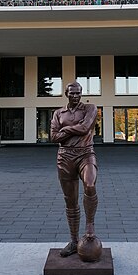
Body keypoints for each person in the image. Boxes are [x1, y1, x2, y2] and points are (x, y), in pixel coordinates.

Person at [50, 82, 99, 257]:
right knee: (70, 201)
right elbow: (53, 137)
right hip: (64, 157)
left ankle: (90, 228)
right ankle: (73, 241)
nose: (76, 96)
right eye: (72, 93)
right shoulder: (58, 113)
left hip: (86, 154)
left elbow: (86, 127)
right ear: (66, 94)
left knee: (90, 185)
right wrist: (74, 129)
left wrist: (66, 130)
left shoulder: (90, 108)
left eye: (78, 93)